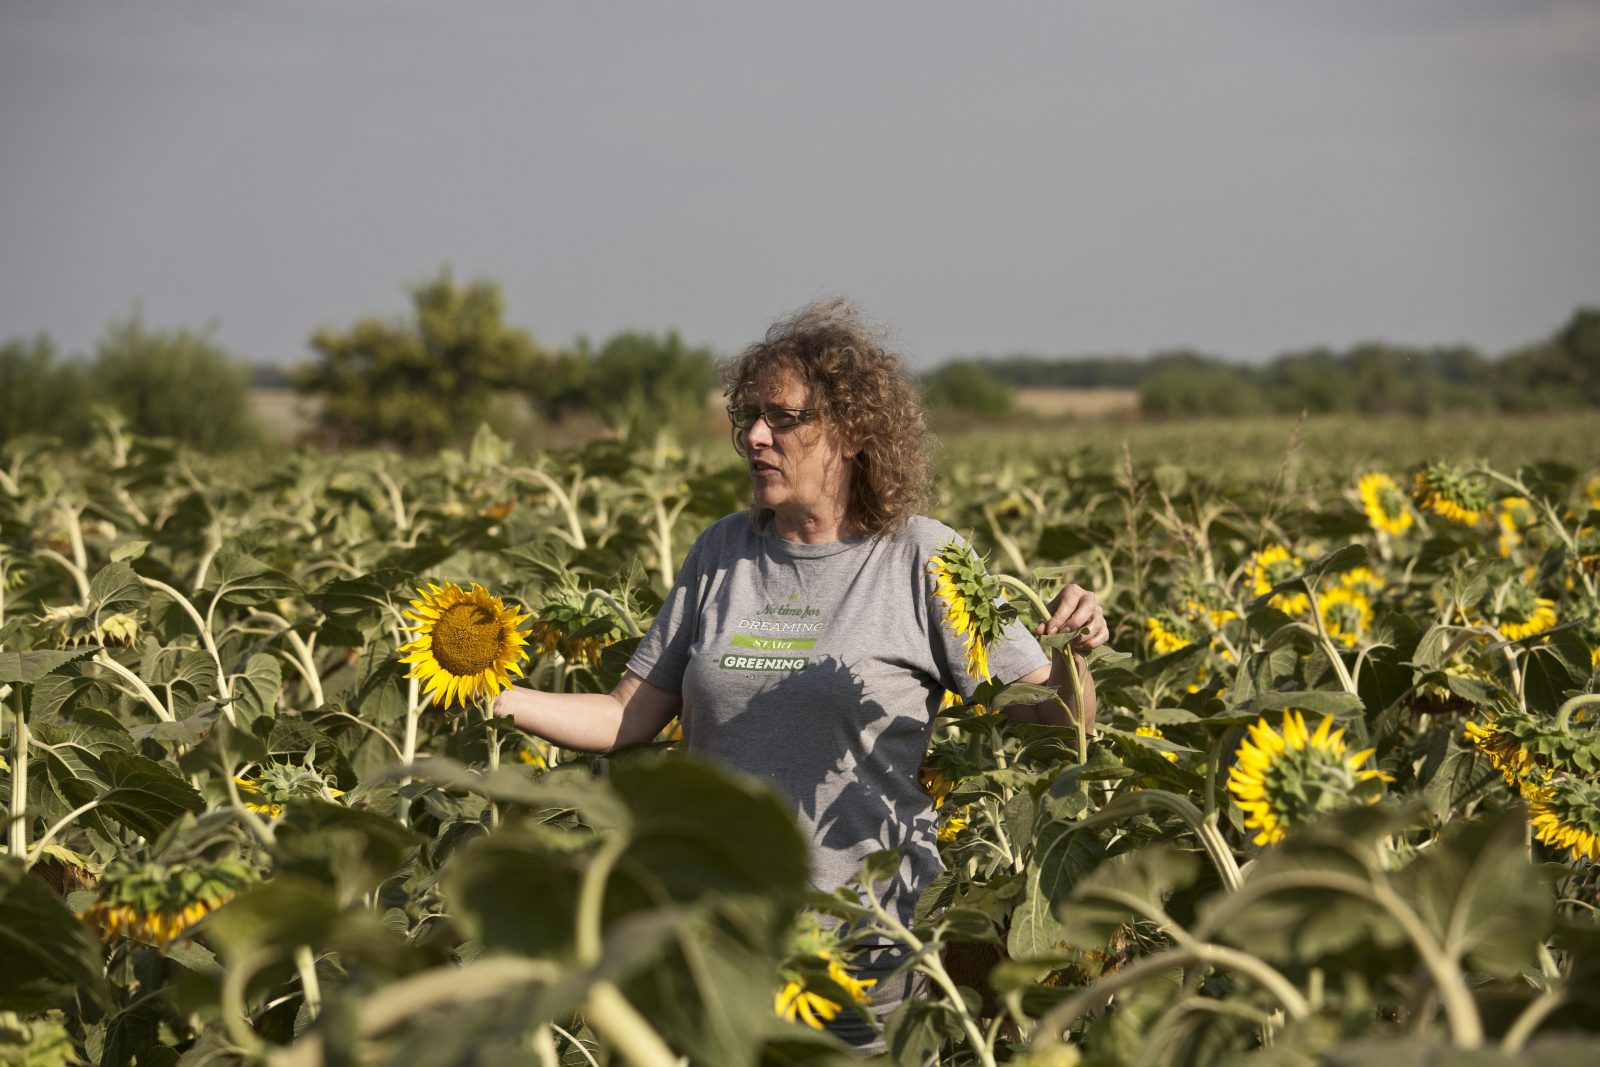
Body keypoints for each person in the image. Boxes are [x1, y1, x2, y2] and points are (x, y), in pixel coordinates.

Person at [491, 300, 1109, 1054]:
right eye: (748, 416)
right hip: (721, 944)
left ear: (849, 431)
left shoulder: (920, 559)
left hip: (867, 950)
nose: (755, 436)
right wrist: (501, 697)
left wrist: (1074, 651)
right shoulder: (721, 553)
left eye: (782, 418)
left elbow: (1058, 722)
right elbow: (628, 716)